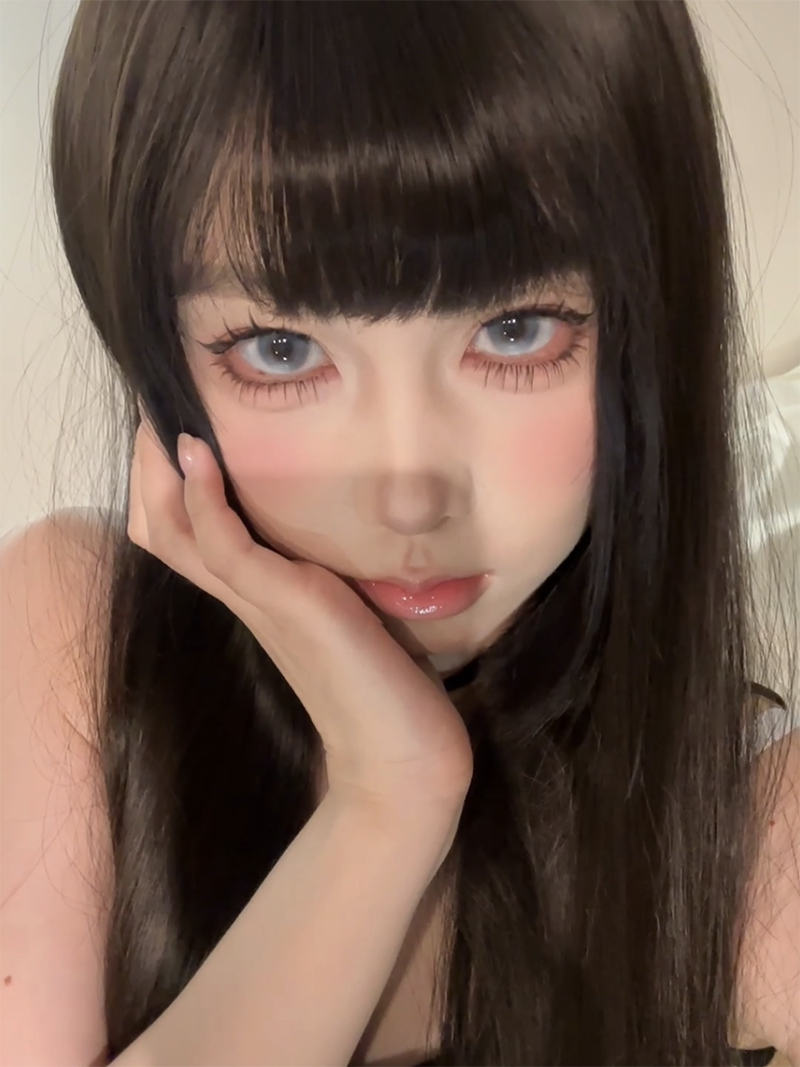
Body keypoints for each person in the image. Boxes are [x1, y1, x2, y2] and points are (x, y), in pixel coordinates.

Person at [1, 0, 800, 1064]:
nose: (410, 497)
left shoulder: (756, 842)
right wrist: (388, 796)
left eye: (514, 329)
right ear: (157, 358)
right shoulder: (79, 642)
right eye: (280, 348)